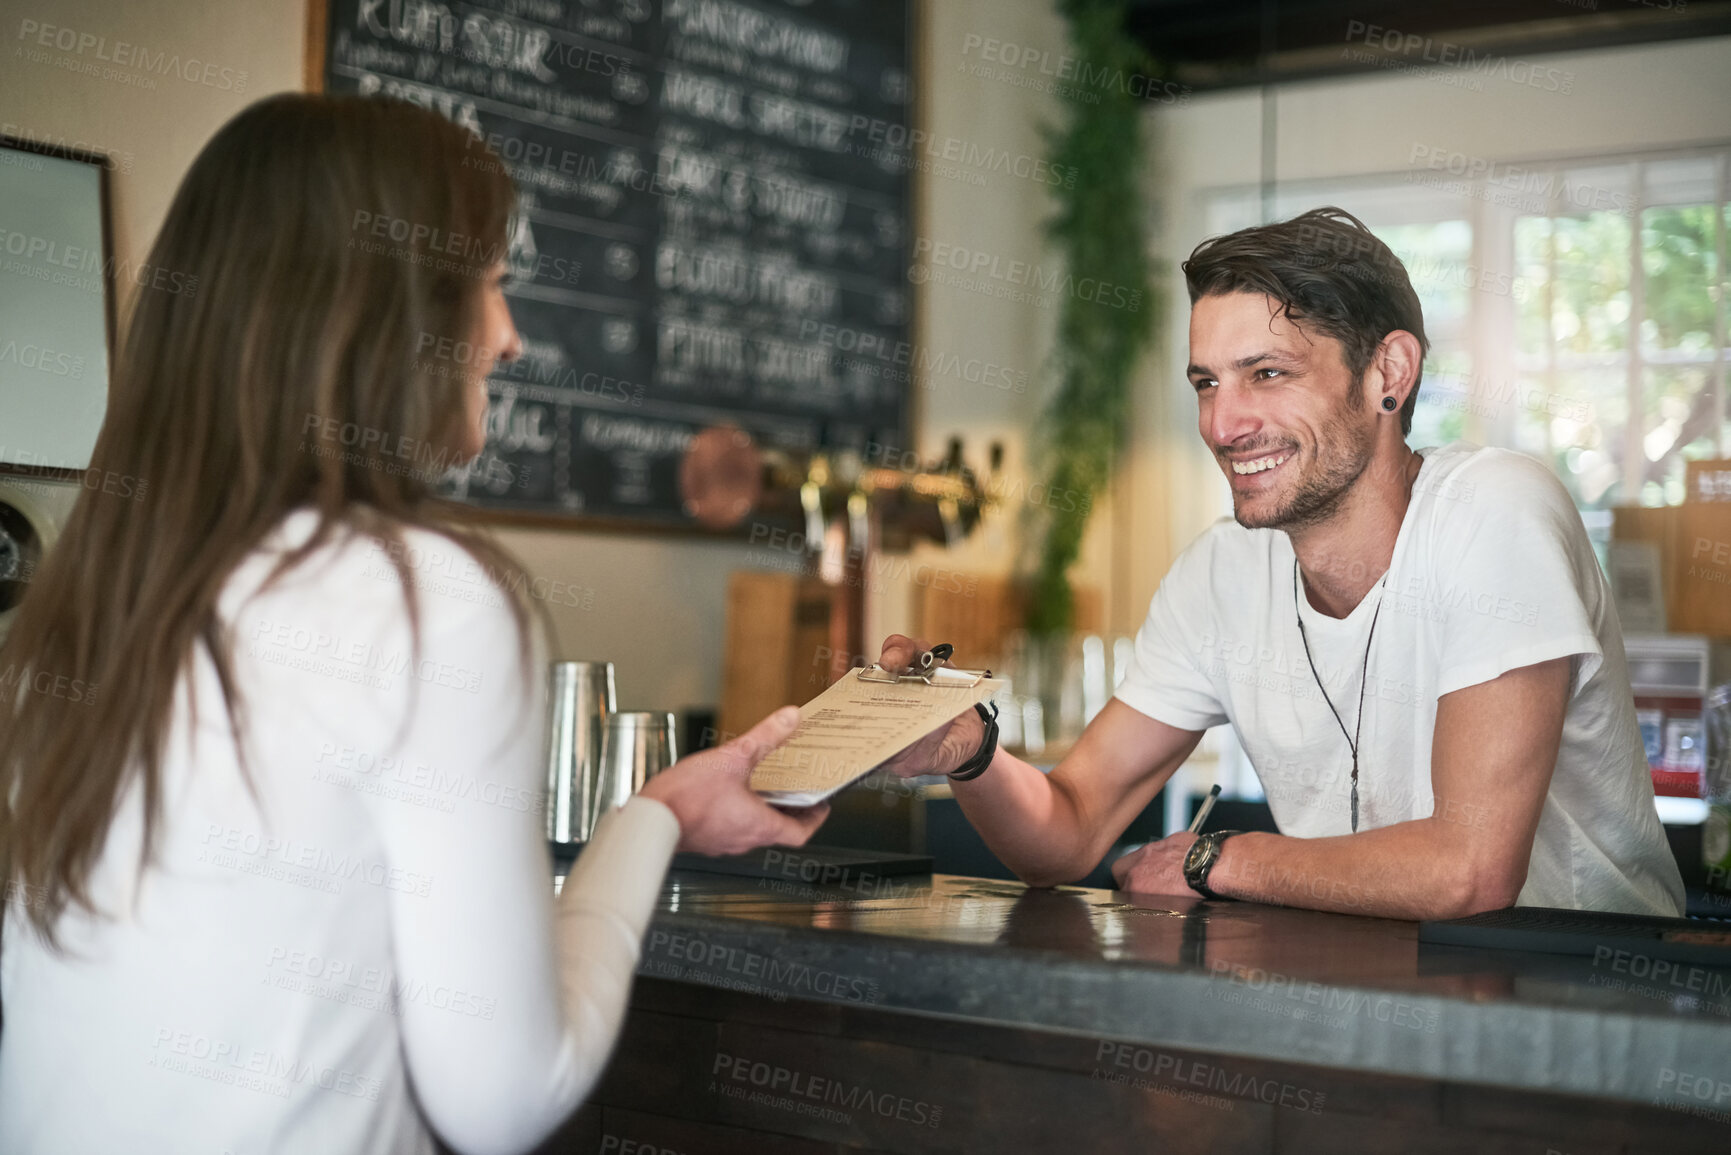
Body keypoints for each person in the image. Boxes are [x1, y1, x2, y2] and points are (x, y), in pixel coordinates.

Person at [0, 94, 825, 1154]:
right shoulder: (420, 598)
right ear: (385, 310)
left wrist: (656, 809)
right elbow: (508, 1097)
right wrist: (647, 827)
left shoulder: (87, 604)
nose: (509, 338)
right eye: (489, 285)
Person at [876, 206, 1684, 921]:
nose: (1224, 424)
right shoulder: (1218, 574)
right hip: (1370, 997)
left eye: (1267, 374)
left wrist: (1216, 859)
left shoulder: (1495, 510)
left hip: (1587, 1010)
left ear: (1387, 374)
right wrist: (970, 752)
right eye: (1205, 383)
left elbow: (1467, 873)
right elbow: (1066, 828)